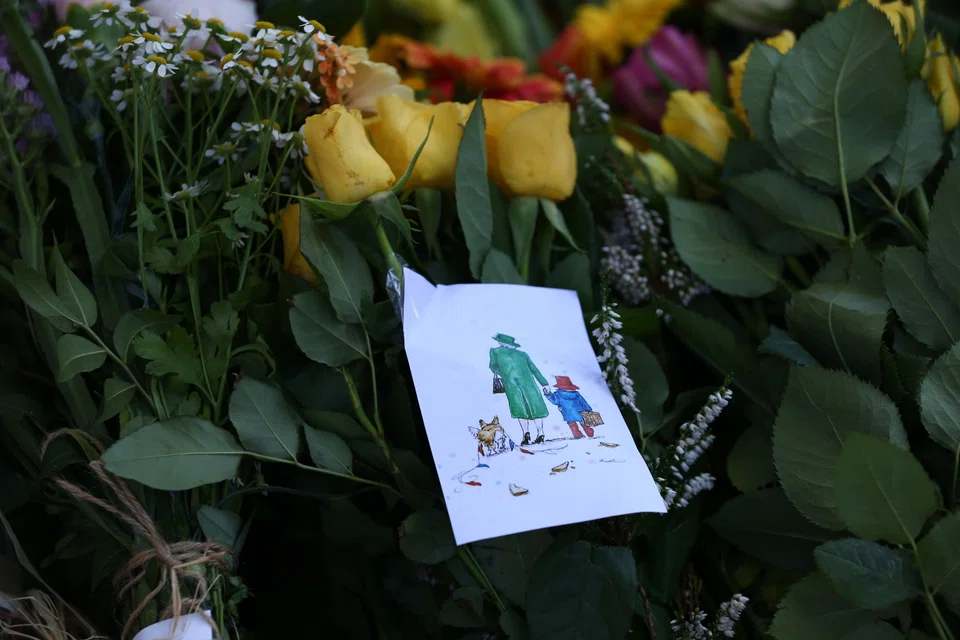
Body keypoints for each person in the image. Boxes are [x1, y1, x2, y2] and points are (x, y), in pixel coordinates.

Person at [489, 334, 550, 445]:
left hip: (512, 384)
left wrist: (504, 374)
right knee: (536, 406)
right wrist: (544, 384)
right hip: (529, 383)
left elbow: (493, 366)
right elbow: (534, 369)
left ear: (500, 342)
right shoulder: (522, 354)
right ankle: (540, 433)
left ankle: (526, 433)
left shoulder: (495, 351)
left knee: (519, 408)